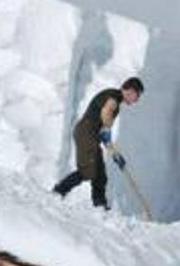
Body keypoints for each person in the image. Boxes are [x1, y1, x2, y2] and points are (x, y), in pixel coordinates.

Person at [53, 77, 144, 209]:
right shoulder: (114, 96)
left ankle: (100, 205)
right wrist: (107, 129)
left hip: (91, 135)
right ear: (130, 91)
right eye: (137, 96)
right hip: (86, 132)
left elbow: (104, 133)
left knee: (100, 174)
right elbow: (107, 111)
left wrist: (115, 154)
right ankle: (59, 191)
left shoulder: (115, 99)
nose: (137, 100)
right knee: (87, 171)